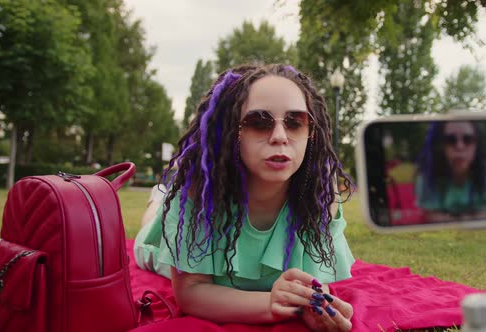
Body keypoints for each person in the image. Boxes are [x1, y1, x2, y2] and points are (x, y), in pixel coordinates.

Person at [134, 64, 355, 331]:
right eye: (259, 122)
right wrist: (271, 306)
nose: (280, 137)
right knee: (149, 229)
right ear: (230, 131)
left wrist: (313, 306)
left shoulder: (320, 199)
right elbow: (191, 292)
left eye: (295, 122)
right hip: (161, 251)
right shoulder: (198, 193)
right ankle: (158, 199)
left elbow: (314, 280)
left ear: (311, 133)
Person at [414, 121, 486, 222]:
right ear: (440, 145)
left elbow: (485, 212)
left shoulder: (485, 171)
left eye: (468, 139)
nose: (460, 146)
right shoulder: (426, 174)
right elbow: (432, 215)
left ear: (477, 144)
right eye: (450, 140)